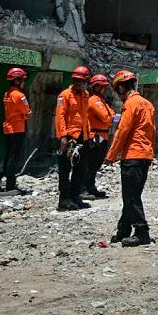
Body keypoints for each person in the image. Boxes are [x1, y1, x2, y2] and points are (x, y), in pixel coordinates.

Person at [104, 70, 155, 247]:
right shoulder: (147, 104)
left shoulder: (131, 104)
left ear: (122, 88)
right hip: (145, 155)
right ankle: (123, 230)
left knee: (131, 197)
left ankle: (142, 232)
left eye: (118, 90)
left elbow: (122, 131)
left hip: (132, 156)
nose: (118, 94)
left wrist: (111, 155)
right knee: (131, 196)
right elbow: (151, 132)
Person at [55, 65, 91, 211]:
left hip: (83, 137)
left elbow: (85, 116)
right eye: (76, 80)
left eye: (81, 81)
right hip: (70, 137)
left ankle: (75, 197)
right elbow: (60, 116)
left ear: (85, 81)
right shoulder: (64, 95)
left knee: (80, 169)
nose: (78, 83)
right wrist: (62, 136)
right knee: (65, 169)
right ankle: (64, 199)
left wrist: (89, 135)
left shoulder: (85, 95)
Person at [0, 67, 31, 193]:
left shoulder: (7, 94)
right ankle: (10, 186)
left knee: (8, 156)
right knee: (14, 158)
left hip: (9, 128)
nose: (24, 82)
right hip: (18, 129)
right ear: (18, 81)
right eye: (23, 80)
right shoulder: (20, 96)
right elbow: (27, 112)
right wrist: (26, 114)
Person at [82, 74, 115, 199]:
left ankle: (91, 187)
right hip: (96, 135)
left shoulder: (101, 101)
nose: (105, 89)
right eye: (103, 87)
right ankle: (83, 188)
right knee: (91, 163)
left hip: (102, 135)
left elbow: (111, 115)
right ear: (97, 87)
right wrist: (111, 116)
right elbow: (107, 117)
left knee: (96, 163)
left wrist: (110, 116)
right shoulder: (94, 100)